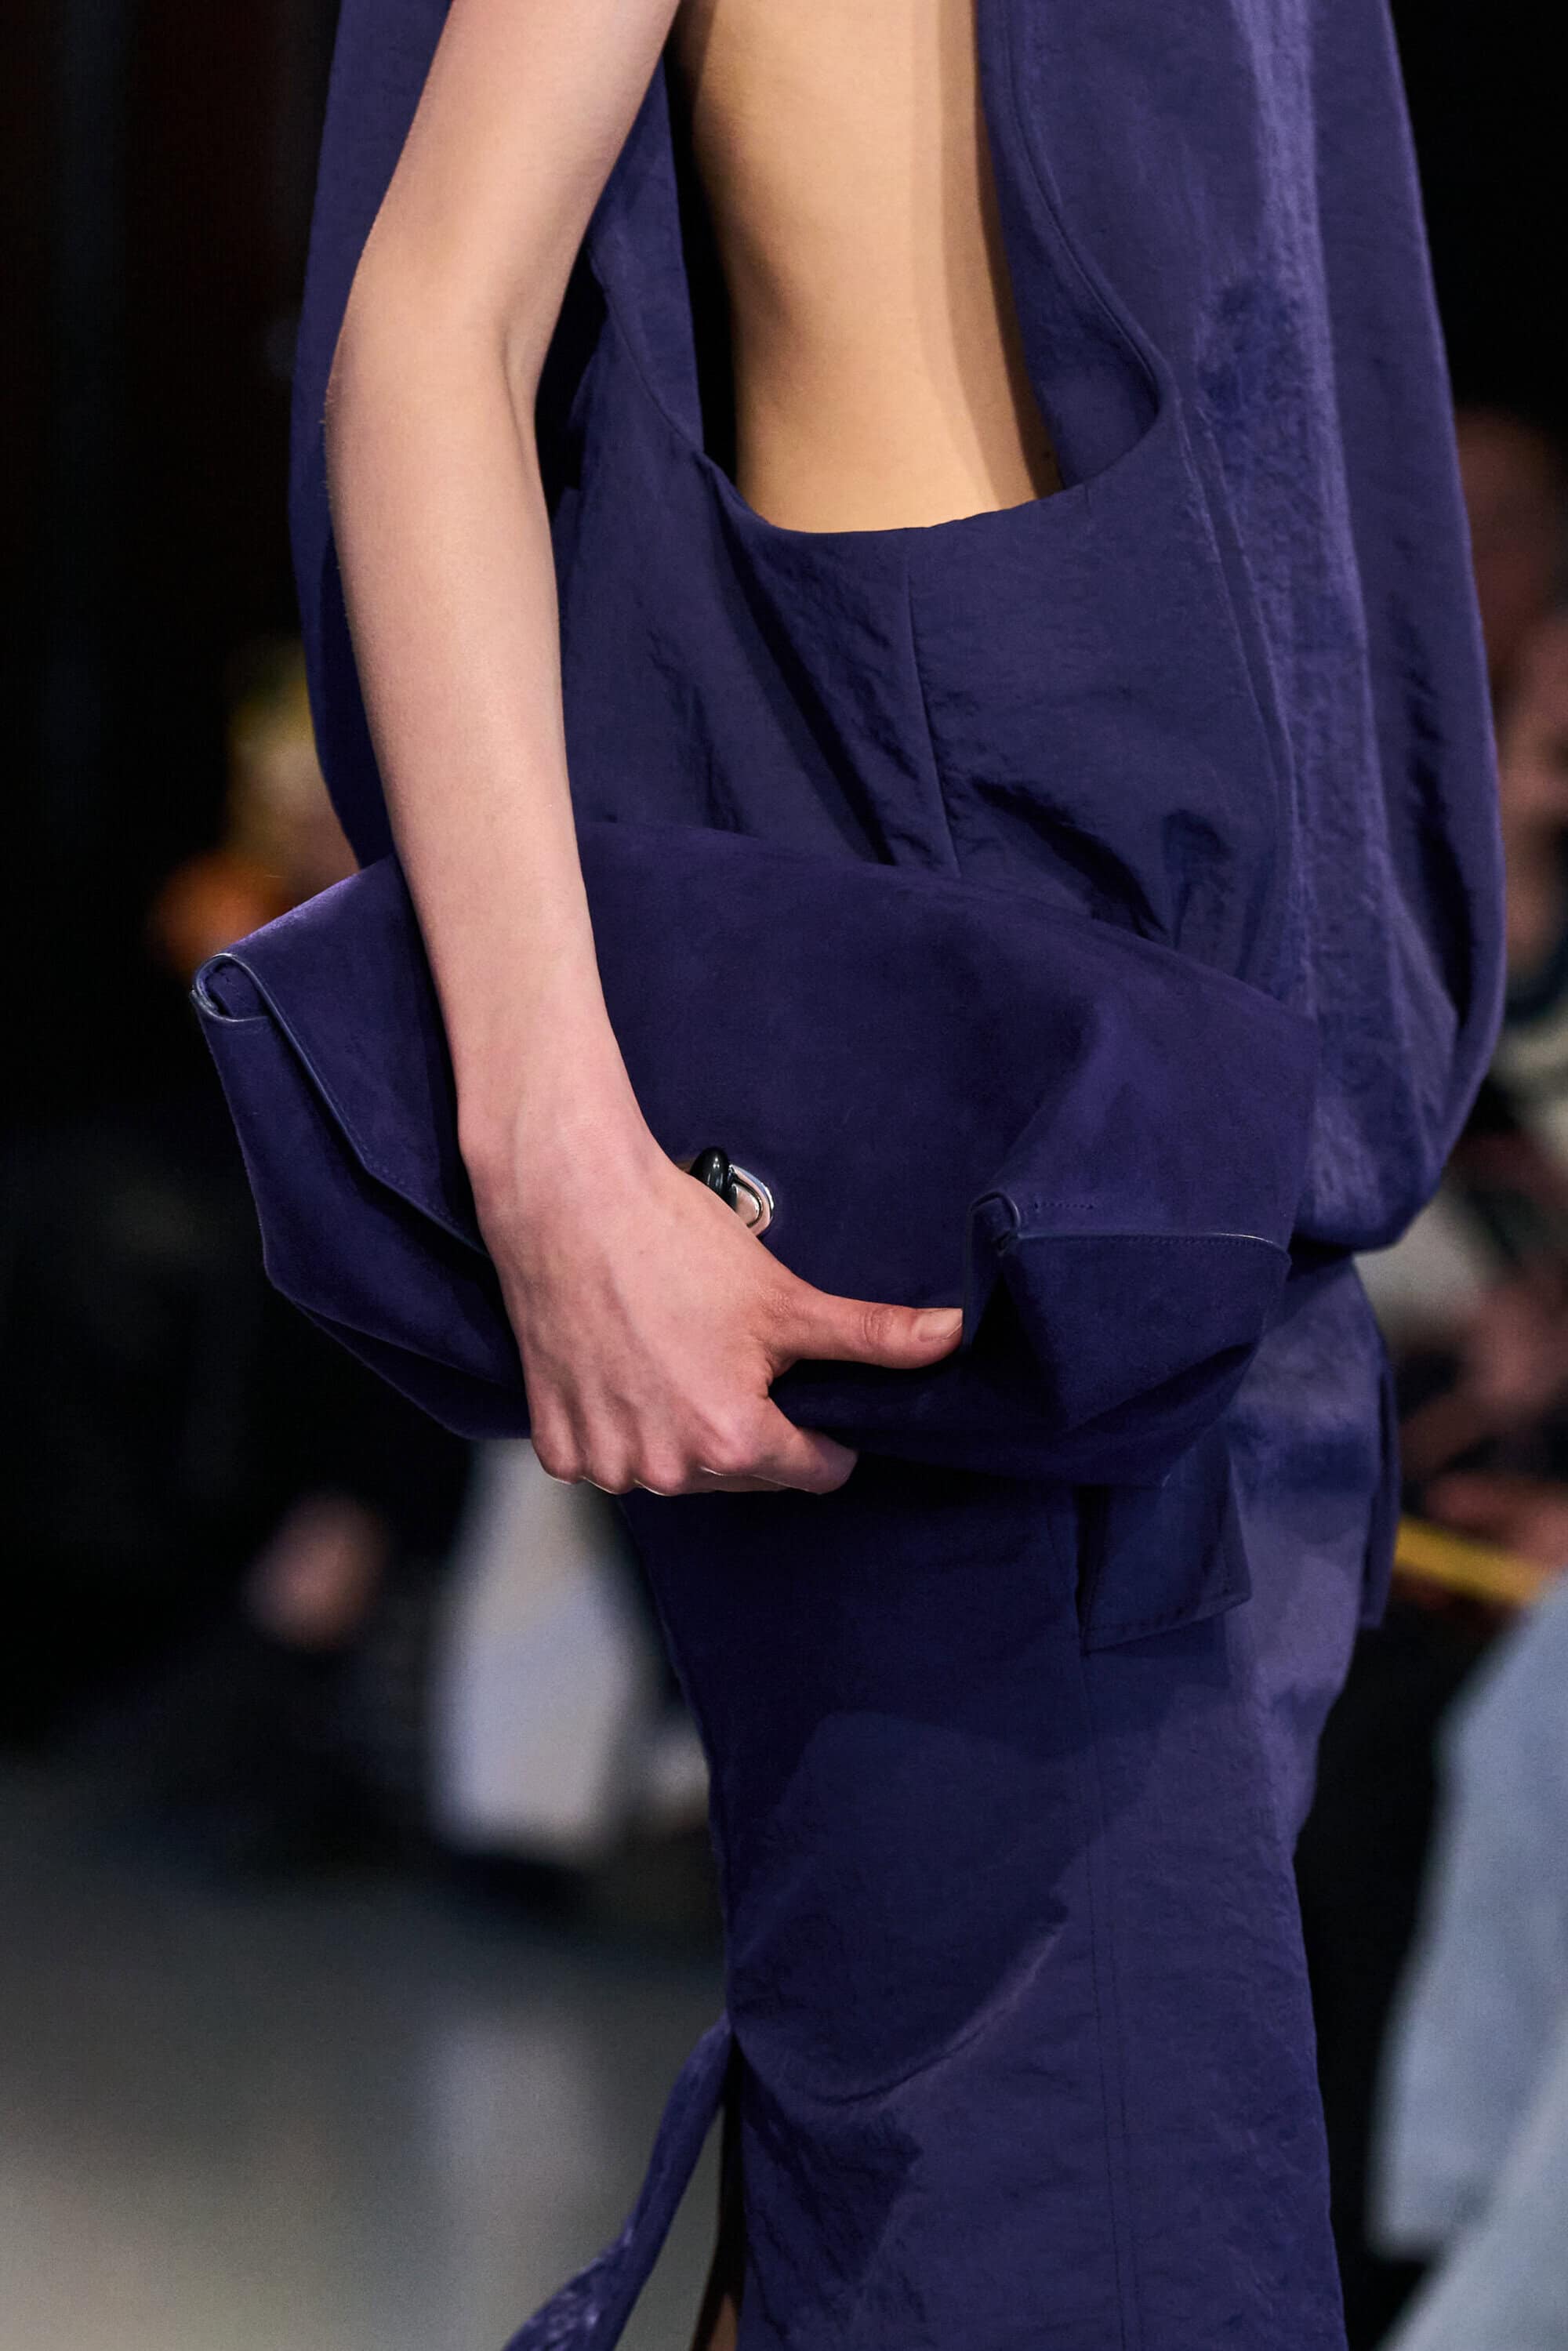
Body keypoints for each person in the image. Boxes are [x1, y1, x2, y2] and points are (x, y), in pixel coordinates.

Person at [276, 2, 1503, 2343]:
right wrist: (556, 1151)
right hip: (958, 1069)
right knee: (1048, 2220)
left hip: (1219, 1129)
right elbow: (436, 324)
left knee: (968, 2196)